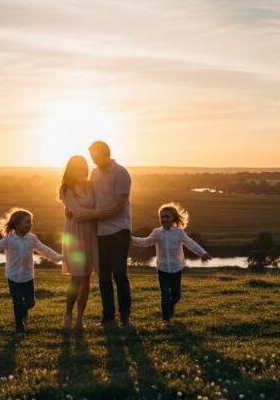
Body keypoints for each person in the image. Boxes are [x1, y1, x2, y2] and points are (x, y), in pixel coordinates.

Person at [0, 208, 62, 334]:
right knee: (17, 302)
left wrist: (58, 257)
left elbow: (44, 250)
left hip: (27, 277)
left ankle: (23, 312)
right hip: (13, 277)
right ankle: (19, 327)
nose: (31, 224)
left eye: (31, 222)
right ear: (17, 224)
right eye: (27, 222)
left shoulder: (32, 239)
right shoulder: (8, 239)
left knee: (30, 303)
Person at [72, 140, 133, 327]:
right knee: (103, 277)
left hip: (120, 229)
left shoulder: (121, 173)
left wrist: (90, 214)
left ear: (105, 153)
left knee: (119, 274)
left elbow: (119, 206)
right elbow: (92, 200)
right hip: (100, 232)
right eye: (91, 157)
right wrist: (74, 209)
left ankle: (124, 318)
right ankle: (108, 318)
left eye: (95, 156)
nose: (93, 160)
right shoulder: (95, 173)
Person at [131, 202, 211, 327]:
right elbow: (145, 242)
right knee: (164, 295)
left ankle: (170, 306)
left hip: (176, 268)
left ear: (173, 218)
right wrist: (130, 239)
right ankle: (166, 320)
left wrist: (202, 253)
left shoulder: (179, 233)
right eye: (162, 217)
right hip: (162, 268)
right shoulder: (157, 232)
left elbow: (190, 243)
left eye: (167, 217)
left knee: (176, 295)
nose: (164, 219)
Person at [58, 155, 98, 330]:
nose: (81, 171)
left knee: (87, 278)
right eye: (76, 168)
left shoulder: (91, 186)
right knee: (77, 277)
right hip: (74, 234)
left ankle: (80, 318)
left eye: (83, 167)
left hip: (90, 234)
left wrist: (93, 213)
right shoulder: (66, 189)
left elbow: (95, 206)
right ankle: (67, 315)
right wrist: (96, 213)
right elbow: (77, 212)